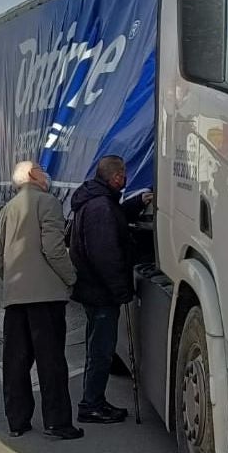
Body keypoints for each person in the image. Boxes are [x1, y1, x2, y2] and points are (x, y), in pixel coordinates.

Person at [0, 160, 83, 441]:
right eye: (43, 169)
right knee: (51, 361)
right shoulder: (48, 203)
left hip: (15, 297)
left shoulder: (7, 210)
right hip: (46, 295)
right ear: (33, 175)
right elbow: (54, 248)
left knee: (15, 361)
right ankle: (57, 422)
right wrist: (71, 277)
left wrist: (12, 282)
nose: (47, 174)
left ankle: (17, 421)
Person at [68, 155, 152, 424]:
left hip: (92, 288)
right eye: (123, 175)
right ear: (116, 177)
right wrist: (121, 290)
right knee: (102, 350)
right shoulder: (101, 207)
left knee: (98, 347)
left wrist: (137, 203)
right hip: (102, 291)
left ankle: (94, 400)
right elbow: (106, 255)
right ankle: (91, 404)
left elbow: (114, 217)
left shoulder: (96, 201)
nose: (125, 179)